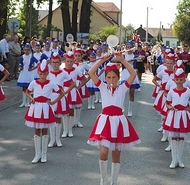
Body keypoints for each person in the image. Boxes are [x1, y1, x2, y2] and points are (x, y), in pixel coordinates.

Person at [87, 52, 141, 185]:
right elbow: (91, 73)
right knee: (104, 151)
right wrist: (102, 61)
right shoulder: (102, 87)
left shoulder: (123, 88)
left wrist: (122, 60)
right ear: (105, 78)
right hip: (105, 121)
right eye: (109, 77)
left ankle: (114, 182)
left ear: (118, 78)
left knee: (116, 154)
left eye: (114, 77)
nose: (111, 80)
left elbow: (133, 74)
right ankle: (103, 179)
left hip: (118, 122)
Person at [24, 59, 64, 163]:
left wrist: (53, 101)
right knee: (37, 131)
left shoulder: (51, 83)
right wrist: (31, 98)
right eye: (41, 74)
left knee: (45, 131)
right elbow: (27, 92)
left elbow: (61, 93)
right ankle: (37, 154)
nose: (43, 76)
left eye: (45, 74)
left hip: (46, 108)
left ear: (47, 73)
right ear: (38, 73)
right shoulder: (34, 83)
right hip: (36, 108)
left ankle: (44, 155)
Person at [163, 68, 190, 169]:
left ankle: (180, 159)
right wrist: (170, 107)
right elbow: (167, 103)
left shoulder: (188, 91)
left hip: (183, 116)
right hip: (173, 115)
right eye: (177, 80)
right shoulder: (171, 92)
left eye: (181, 80)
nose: (179, 82)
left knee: (182, 137)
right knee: (173, 137)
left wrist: (189, 108)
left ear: (184, 80)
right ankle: (174, 159)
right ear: (174, 80)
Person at [47, 53, 75, 146]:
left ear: (60, 63)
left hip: (60, 97)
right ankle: (52, 140)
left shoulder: (64, 73)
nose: (54, 64)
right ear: (51, 63)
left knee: (58, 118)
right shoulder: (48, 73)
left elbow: (73, 83)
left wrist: (65, 92)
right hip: (51, 97)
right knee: (51, 118)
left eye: (56, 62)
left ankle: (57, 139)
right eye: (53, 62)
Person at [113, 41, 140, 117]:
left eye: (130, 47)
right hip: (125, 74)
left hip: (132, 73)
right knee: (123, 91)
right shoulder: (123, 56)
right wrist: (120, 58)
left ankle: (130, 110)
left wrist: (131, 60)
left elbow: (142, 57)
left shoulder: (135, 55)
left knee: (131, 93)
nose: (129, 49)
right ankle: (122, 107)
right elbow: (113, 60)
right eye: (127, 47)